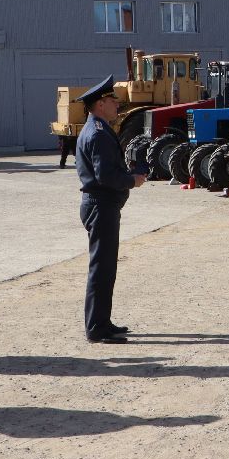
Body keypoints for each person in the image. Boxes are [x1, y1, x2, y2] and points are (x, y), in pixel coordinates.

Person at [76, 75, 148, 343]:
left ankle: (103, 322)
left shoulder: (98, 129)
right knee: (101, 268)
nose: (117, 105)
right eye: (112, 100)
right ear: (100, 104)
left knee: (105, 268)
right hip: (101, 206)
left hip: (101, 205)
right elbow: (105, 176)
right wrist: (132, 180)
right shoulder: (97, 133)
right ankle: (96, 328)